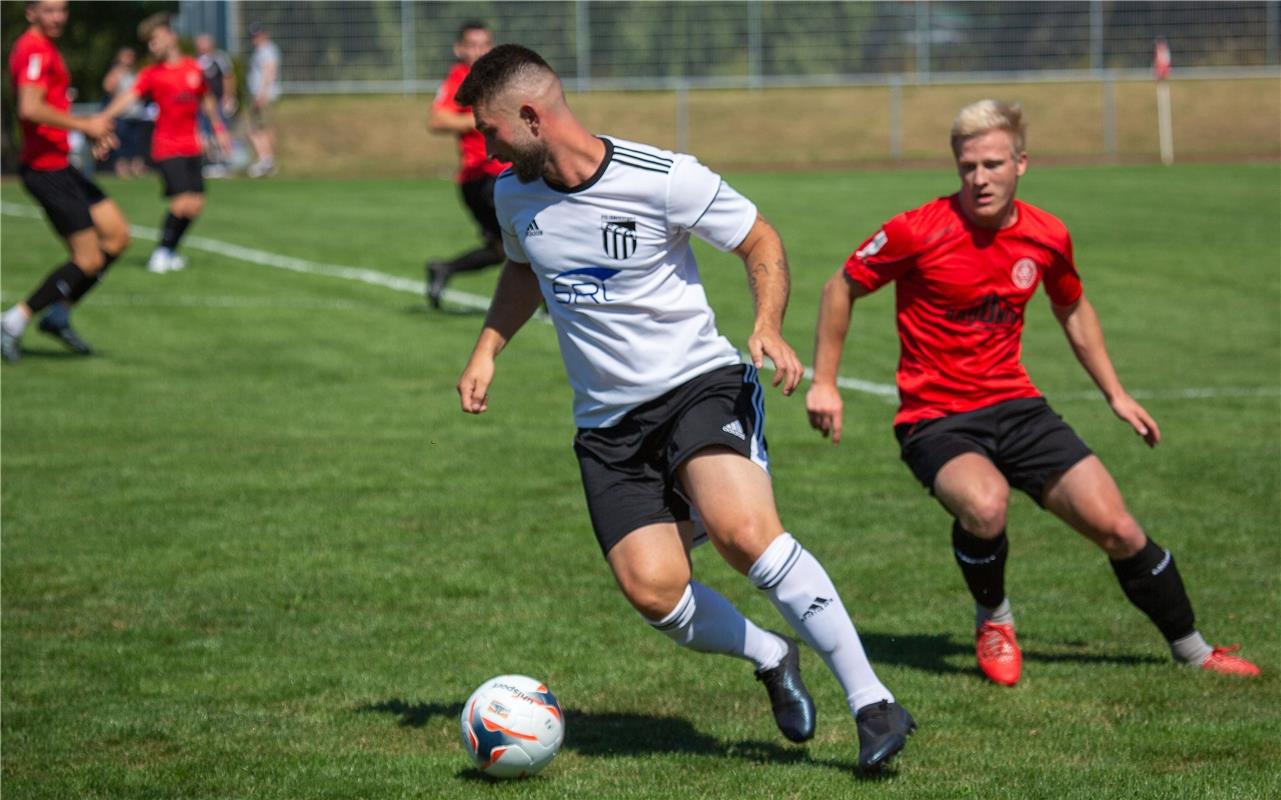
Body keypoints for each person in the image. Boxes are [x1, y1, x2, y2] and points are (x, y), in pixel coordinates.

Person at [454, 45, 915, 772]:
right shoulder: (516, 195)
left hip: (697, 385)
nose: (484, 149)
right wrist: (487, 349)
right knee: (653, 589)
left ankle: (872, 702)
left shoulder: (662, 176)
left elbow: (758, 238)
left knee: (742, 534)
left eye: (489, 131)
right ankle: (769, 655)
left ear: (533, 116)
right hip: (606, 426)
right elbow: (523, 267)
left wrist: (766, 323)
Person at [805, 99, 1260, 687]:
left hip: (1019, 408)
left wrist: (1116, 394)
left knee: (1118, 528)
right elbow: (840, 285)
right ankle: (994, 617)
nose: (979, 178)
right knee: (986, 505)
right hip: (936, 417)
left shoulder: (1047, 235)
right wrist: (824, 382)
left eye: (993, 164)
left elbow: (1071, 308)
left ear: (1022, 163)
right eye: (968, 166)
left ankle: (1195, 650)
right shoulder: (915, 230)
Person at [1, 0, 130, 362]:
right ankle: (14, 320)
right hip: (46, 170)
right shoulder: (33, 49)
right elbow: (29, 107)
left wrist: (87, 134)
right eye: (49, 10)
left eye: (62, 10)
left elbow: (50, 108)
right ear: (31, 13)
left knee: (117, 235)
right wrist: (86, 125)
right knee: (88, 259)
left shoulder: (45, 48)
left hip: (61, 164)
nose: (57, 17)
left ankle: (58, 315)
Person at [100, 14, 232, 274]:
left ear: (171, 36)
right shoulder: (152, 74)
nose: (152, 46)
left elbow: (206, 100)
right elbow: (128, 97)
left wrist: (218, 129)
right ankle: (161, 252)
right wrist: (102, 118)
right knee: (182, 202)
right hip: (167, 146)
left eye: (155, 39)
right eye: (149, 42)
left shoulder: (193, 68)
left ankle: (171, 251)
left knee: (196, 204)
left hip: (192, 145)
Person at [424, 22, 510, 309]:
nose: (478, 51)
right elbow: (437, 119)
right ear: (459, 49)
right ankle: (552, 302)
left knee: (503, 250)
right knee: (529, 235)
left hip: (505, 174)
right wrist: (483, 119)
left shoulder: (500, 77)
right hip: (482, 177)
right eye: (471, 45)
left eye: (483, 45)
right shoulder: (460, 78)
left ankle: (444, 269)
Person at [194, 33, 237, 176]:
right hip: (202, 104)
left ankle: (225, 161)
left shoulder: (219, 58)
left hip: (217, 102)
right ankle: (210, 161)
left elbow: (228, 77)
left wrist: (228, 96)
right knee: (205, 134)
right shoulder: (196, 61)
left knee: (220, 130)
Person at [101, 47, 145, 178]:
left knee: (136, 144)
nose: (130, 58)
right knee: (122, 144)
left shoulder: (134, 73)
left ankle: (136, 169)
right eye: (127, 56)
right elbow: (107, 87)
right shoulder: (116, 73)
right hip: (122, 115)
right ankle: (122, 169)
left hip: (136, 114)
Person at [245, 22, 279, 178]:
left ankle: (266, 160)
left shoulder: (267, 50)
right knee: (258, 128)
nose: (254, 39)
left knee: (260, 128)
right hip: (259, 95)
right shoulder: (260, 51)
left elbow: (269, 72)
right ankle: (266, 160)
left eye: (257, 35)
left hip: (264, 95)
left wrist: (262, 94)